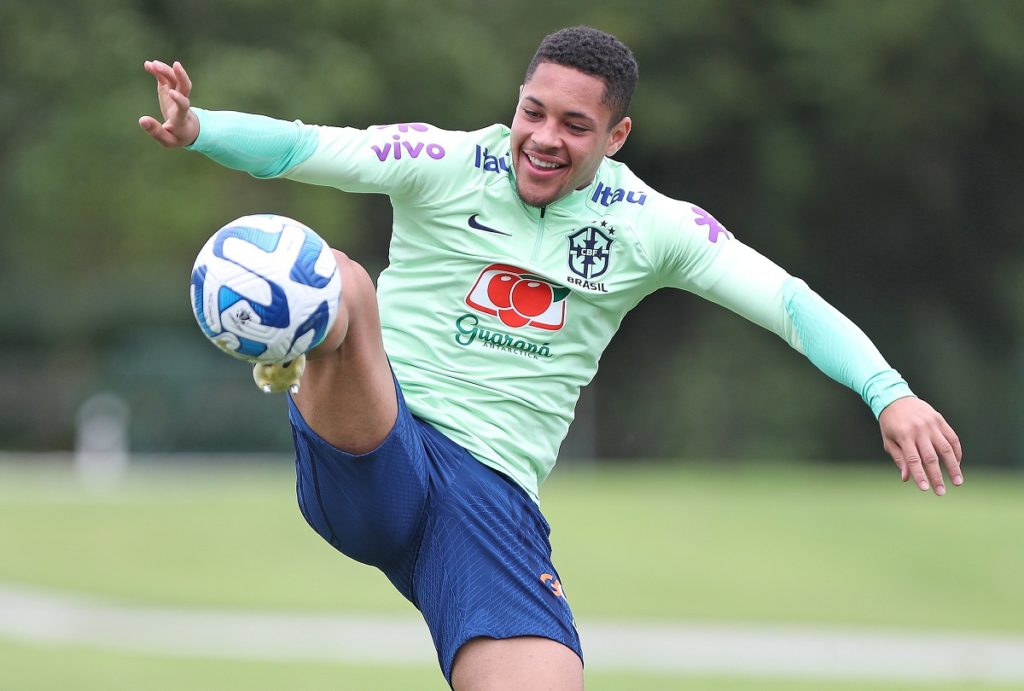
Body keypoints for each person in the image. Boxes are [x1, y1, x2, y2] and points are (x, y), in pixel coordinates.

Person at [140, 26, 963, 690]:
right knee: (345, 283)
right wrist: (198, 128)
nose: (542, 138)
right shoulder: (447, 163)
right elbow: (302, 147)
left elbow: (784, 298)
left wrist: (887, 393)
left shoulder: (652, 225)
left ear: (618, 133)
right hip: (383, 441)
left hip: (489, 501)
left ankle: (300, 353)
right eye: (533, 112)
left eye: (575, 125)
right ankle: (300, 351)